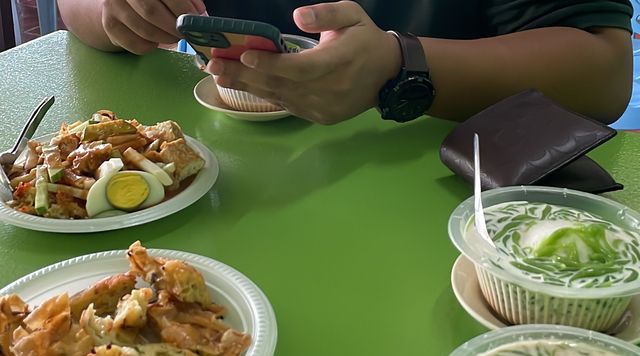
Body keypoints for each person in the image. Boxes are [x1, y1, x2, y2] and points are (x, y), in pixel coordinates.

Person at [57, 0, 633, 125]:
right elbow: (75, 10)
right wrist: (115, 9)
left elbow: (604, 70)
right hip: (213, 196)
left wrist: (402, 66)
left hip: (454, 211)